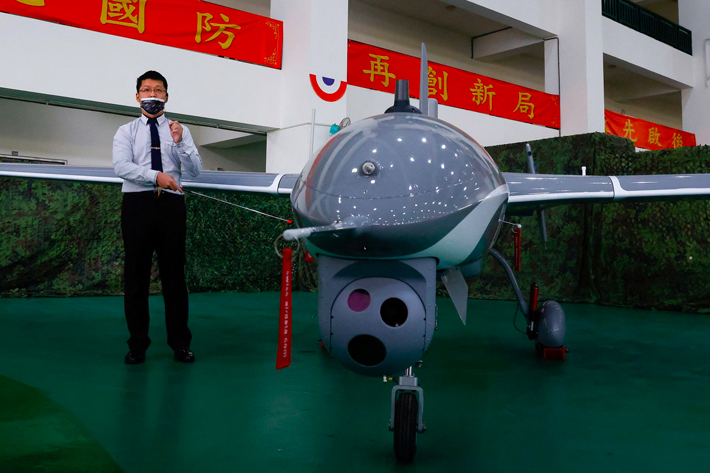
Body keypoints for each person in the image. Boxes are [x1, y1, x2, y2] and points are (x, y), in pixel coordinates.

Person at [113, 70, 202, 364]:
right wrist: (156, 176)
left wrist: (179, 143)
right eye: (147, 90)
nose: (153, 95)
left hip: (172, 208)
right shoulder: (125, 131)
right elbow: (122, 167)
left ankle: (180, 343)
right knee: (136, 278)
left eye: (159, 90)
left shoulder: (179, 130)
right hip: (137, 206)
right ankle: (137, 345)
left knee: (174, 277)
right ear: (137, 96)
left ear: (166, 96)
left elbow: (195, 170)